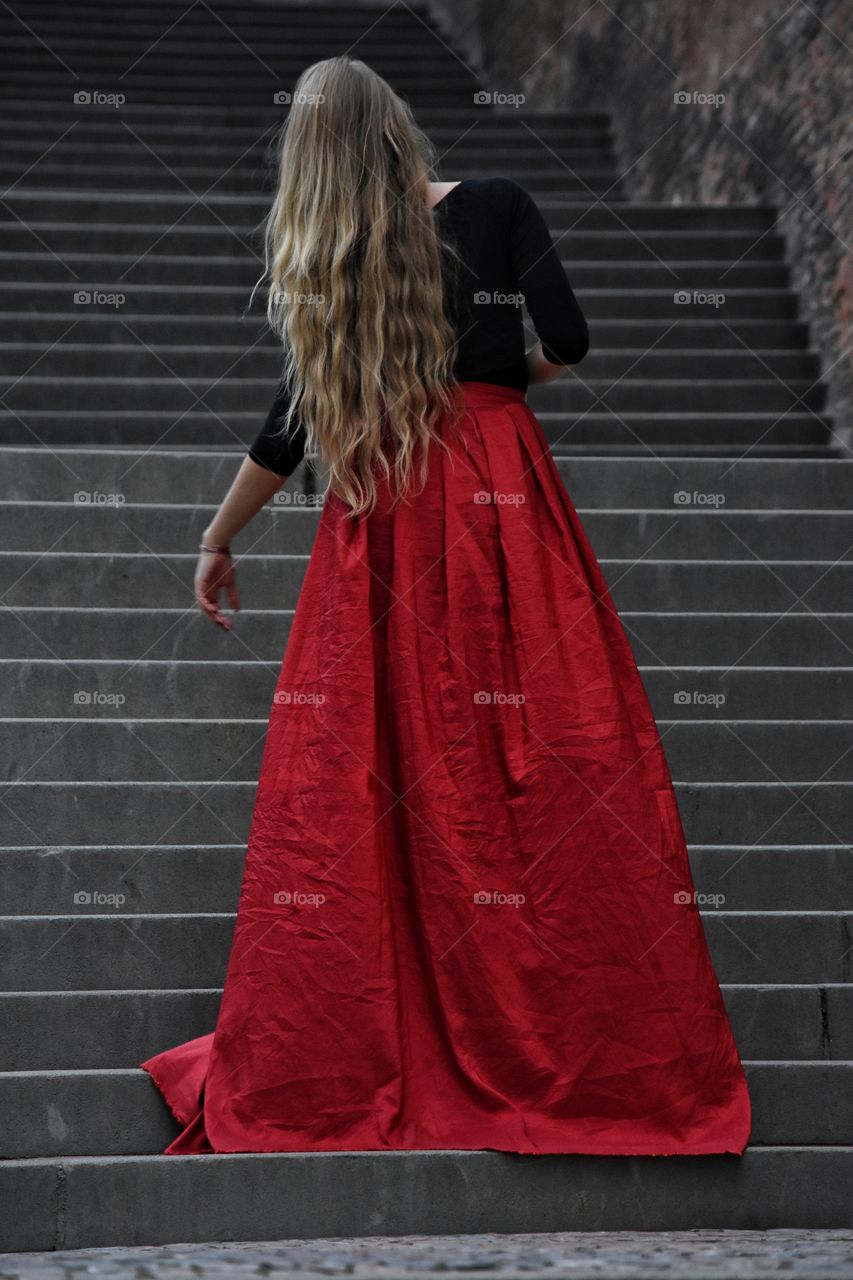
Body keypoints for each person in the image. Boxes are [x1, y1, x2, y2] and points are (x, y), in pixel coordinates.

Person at [140, 55, 751, 1156]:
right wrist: (500, 381)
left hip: (381, 520)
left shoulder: (336, 263)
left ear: (312, 160)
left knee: (374, 783)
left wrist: (218, 536)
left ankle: (384, 1032)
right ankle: (573, 1035)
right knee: (542, 758)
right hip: (497, 505)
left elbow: (287, 431)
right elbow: (567, 341)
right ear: (397, 124)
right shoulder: (500, 206)